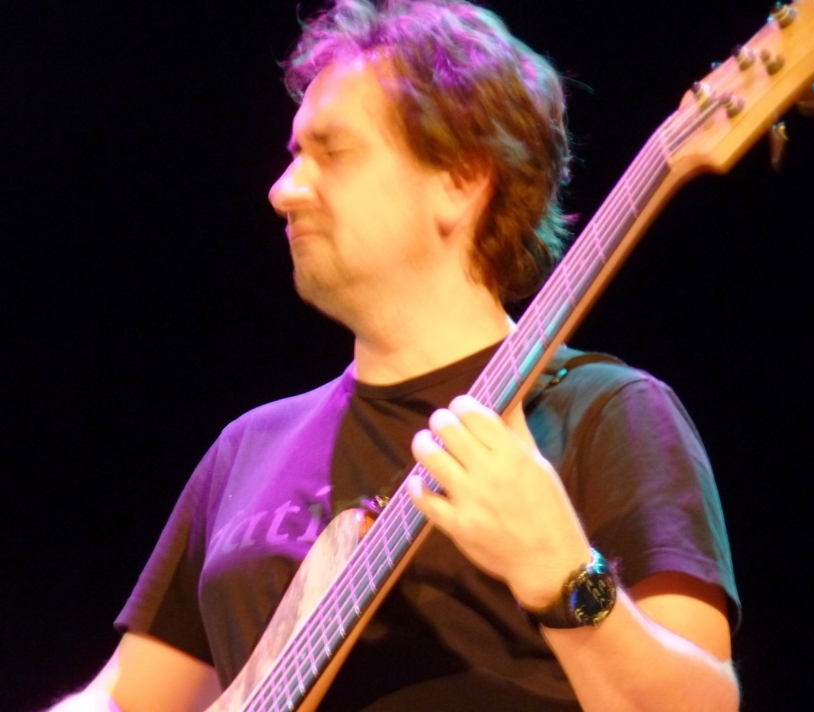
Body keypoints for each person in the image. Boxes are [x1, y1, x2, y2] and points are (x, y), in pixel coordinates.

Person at [49, 1, 740, 710]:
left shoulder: (604, 415)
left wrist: (563, 574)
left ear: (461, 179)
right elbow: (123, 699)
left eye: (332, 153)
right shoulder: (245, 449)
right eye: (294, 155)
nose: (283, 191)